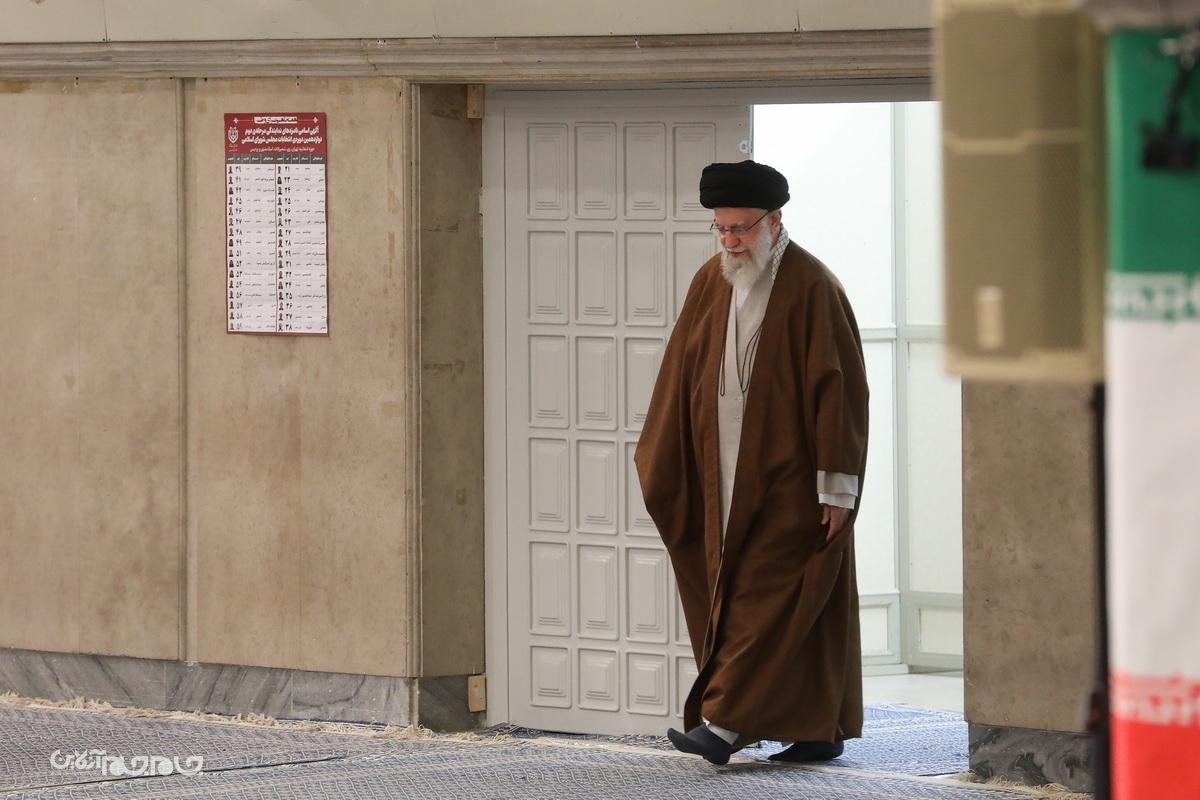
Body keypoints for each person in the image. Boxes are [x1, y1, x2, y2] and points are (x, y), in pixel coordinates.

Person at [633, 160, 869, 766]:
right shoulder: (711, 282)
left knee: (768, 598)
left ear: (774, 221)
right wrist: (668, 461)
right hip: (722, 477)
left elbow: (839, 391)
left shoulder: (813, 287)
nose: (731, 241)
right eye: (722, 229)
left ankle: (728, 724)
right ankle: (818, 727)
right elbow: (680, 373)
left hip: (792, 480)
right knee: (761, 598)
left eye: (741, 228)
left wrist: (837, 489)